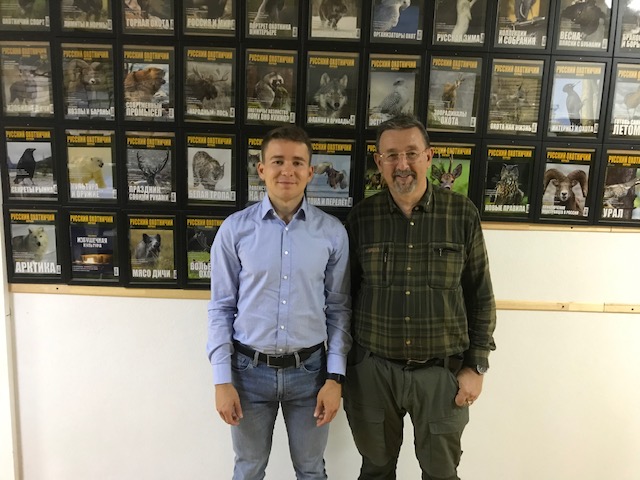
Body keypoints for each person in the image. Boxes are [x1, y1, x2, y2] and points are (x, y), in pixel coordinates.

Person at [344, 115, 496, 480]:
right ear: (379, 161)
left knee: (441, 473)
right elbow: (343, 298)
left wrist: (476, 366)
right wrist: (345, 369)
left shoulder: (461, 214)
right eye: (391, 155)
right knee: (375, 471)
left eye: (411, 153)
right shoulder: (362, 218)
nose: (402, 164)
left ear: (429, 156)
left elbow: (480, 295)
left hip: (441, 375)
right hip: (373, 373)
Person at [207, 125, 351, 480]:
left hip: (310, 375)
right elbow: (221, 308)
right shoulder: (235, 230)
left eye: (297, 162)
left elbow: (339, 309)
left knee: (311, 470)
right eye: (278, 161)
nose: (288, 170)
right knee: (248, 469)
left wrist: (335, 378)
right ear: (261, 169)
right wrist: (222, 380)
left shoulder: (332, 233)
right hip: (247, 374)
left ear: (310, 172)